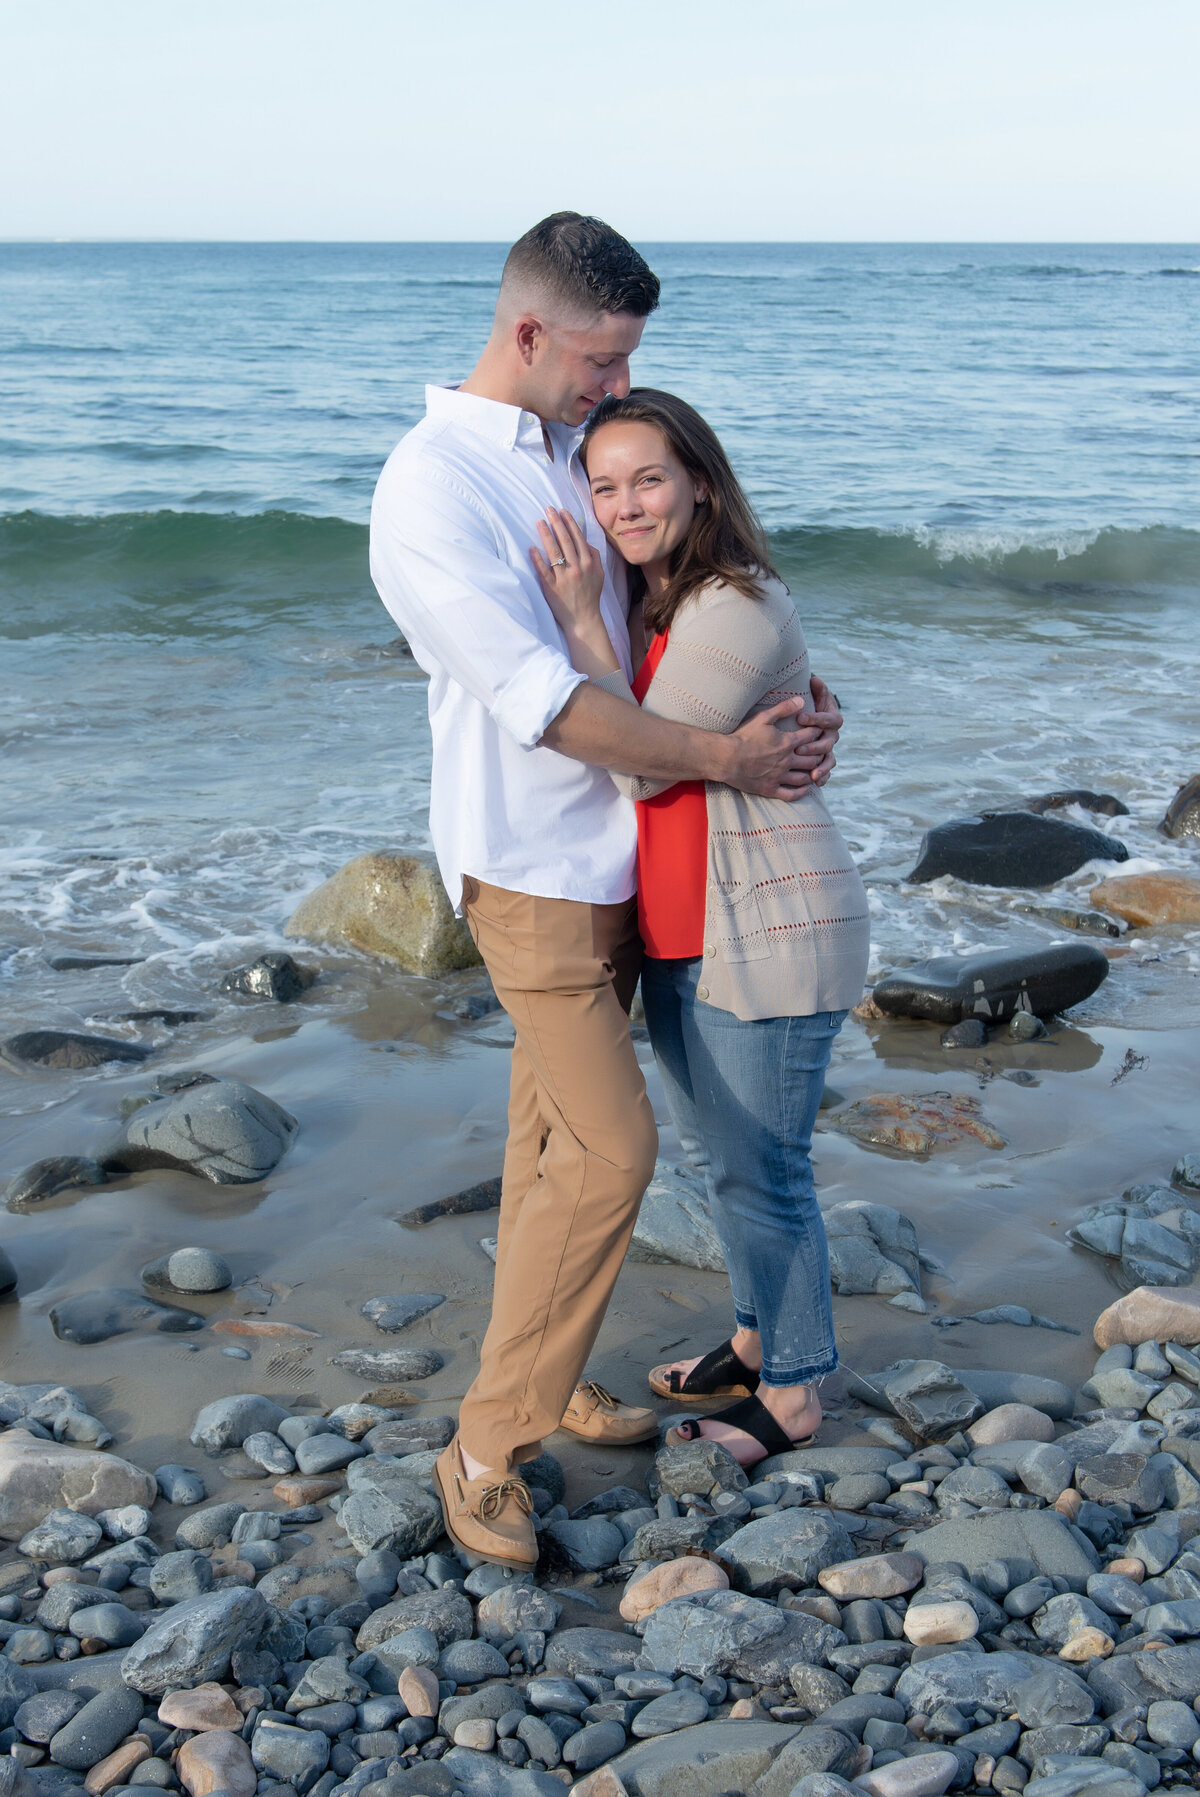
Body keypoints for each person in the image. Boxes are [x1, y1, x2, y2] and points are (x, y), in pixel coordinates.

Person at [370, 215, 843, 1568]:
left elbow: (671, 607)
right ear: (528, 332)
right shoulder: (433, 489)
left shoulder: (570, 452)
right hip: (532, 872)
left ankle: (554, 1360)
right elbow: (555, 706)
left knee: (548, 1153)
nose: (613, 382)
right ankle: (487, 1445)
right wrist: (729, 757)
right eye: (600, 355)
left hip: (634, 866)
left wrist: (788, 702)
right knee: (616, 1154)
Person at [529, 387, 870, 1469]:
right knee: (728, 1165)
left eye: (649, 480)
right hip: (691, 929)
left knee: (766, 1171)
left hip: (769, 929)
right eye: (604, 484)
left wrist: (581, 620)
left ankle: (796, 1393)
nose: (625, 504)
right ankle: (754, 1340)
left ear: (700, 485)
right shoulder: (664, 604)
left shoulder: (731, 602)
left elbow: (641, 750)